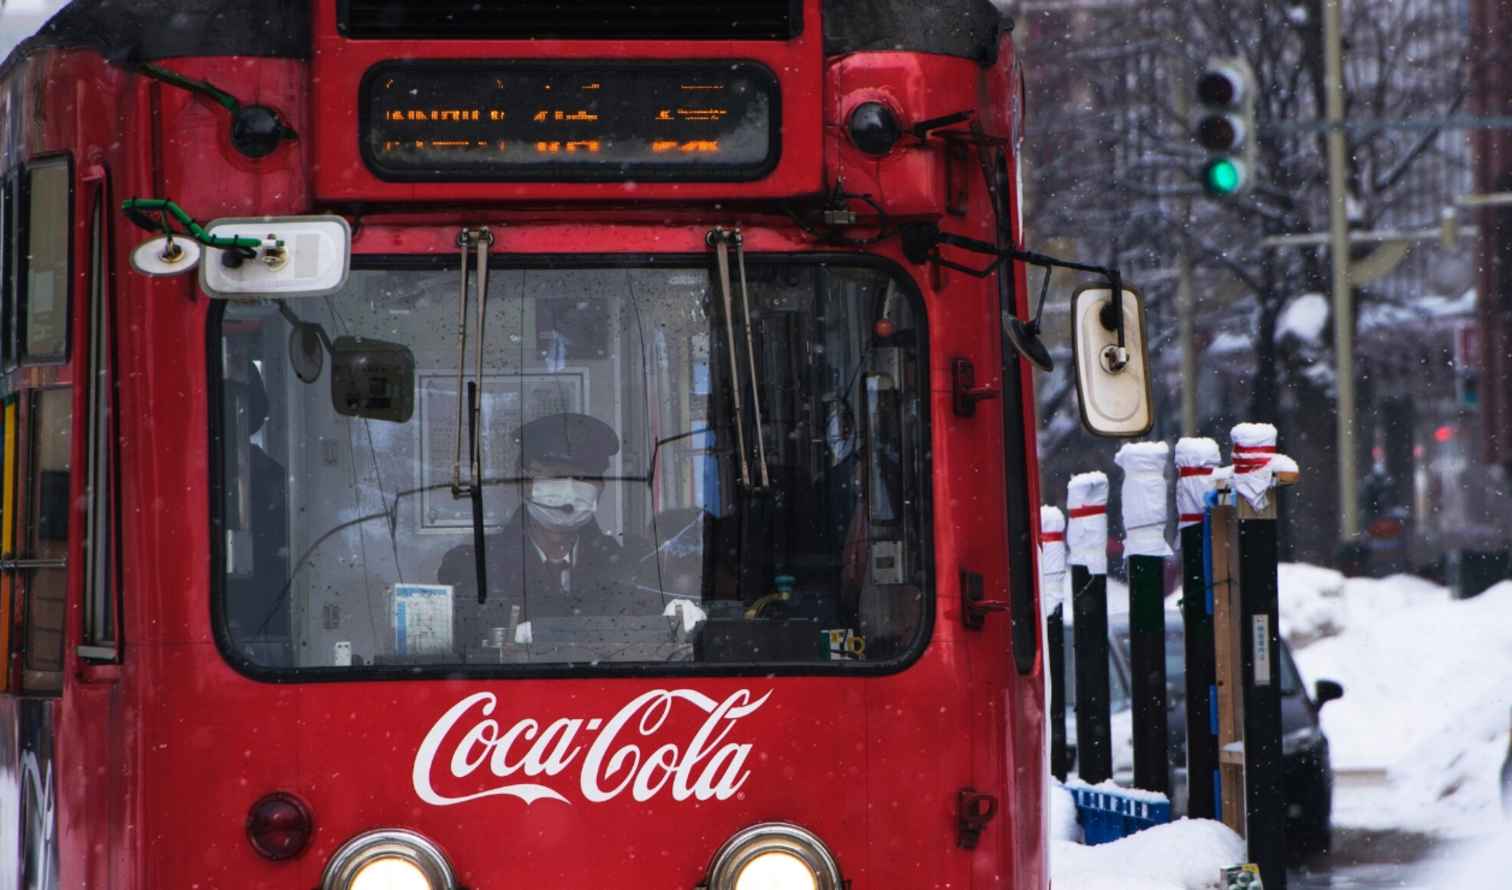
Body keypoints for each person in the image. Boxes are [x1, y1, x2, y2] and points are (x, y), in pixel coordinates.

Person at [438, 412, 661, 653]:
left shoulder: (628, 566)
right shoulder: (475, 565)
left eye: (582, 477)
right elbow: (462, 652)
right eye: (554, 475)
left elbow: (646, 645)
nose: (569, 488)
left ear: (601, 487)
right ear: (522, 482)